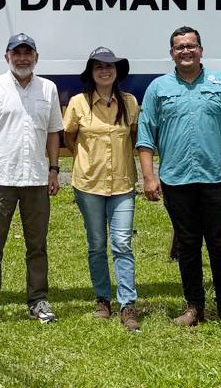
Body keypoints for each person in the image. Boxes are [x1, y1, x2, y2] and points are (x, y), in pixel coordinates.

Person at [136, 26, 221, 329]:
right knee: (187, 244)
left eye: (192, 46)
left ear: (201, 50)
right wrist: (148, 177)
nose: (186, 51)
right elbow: (146, 136)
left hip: (216, 178)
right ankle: (193, 306)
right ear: (172, 53)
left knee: (220, 245)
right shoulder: (158, 88)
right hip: (176, 179)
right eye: (180, 47)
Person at [0, 33, 65, 328]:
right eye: (17, 53)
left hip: (36, 178)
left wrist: (53, 169)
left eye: (28, 53)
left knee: (37, 245)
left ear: (36, 57)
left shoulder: (47, 88)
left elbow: (53, 133)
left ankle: (37, 301)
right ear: (7, 56)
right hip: (1, 179)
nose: (22, 58)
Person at [63, 47, 141, 332]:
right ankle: (102, 299)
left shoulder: (130, 103)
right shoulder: (78, 103)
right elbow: (70, 138)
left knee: (122, 244)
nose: (105, 71)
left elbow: (133, 138)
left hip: (122, 184)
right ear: (91, 73)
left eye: (110, 66)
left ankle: (128, 304)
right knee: (96, 244)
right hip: (89, 184)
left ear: (117, 71)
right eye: (98, 67)